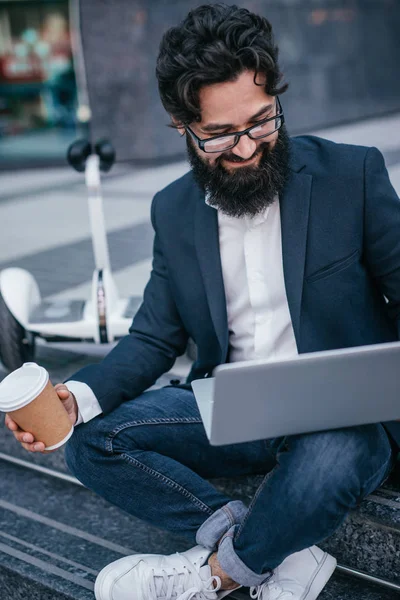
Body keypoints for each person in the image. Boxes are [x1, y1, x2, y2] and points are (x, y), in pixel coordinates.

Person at [5, 4, 400, 599]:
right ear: (181, 125)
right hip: (234, 407)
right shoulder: (173, 208)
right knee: (89, 438)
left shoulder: (353, 174)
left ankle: (214, 575)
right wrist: (75, 396)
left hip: (343, 416)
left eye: (262, 122)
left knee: (337, 452)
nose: (245, 148)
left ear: (276, 100)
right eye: (219, 134)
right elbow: (153, 337)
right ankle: (270, 548)